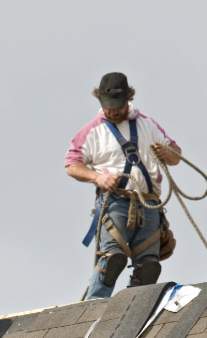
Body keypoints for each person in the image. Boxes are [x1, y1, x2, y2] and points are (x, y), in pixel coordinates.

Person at [65, 72, 181, 299]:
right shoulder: (92, 130)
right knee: (111, 261)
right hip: (116, 202)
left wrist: (167, 153)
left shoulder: (148, 125)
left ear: (129, 98)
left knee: (149, 268)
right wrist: (98, 178)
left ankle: (132, 312)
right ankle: (91, 311)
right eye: (108, 106)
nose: (113, 111)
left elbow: (176, 157)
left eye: (118, 105)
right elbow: (71, 165)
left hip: (148, 204)